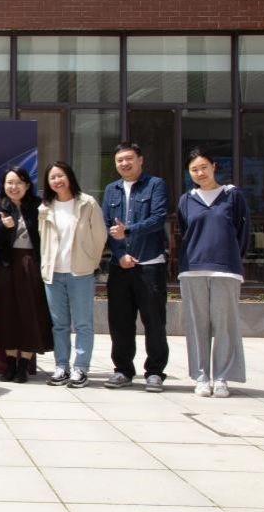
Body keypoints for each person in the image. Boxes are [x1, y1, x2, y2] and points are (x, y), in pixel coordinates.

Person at [177, 148, 250, 398]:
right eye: (194, 170)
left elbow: (243, 232)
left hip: (225, 270)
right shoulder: (186, 200)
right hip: (193, 269)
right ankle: (201, 377)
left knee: (225, 325)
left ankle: (221, 378)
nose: (200, 173)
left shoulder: (232, 195)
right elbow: (185, 232)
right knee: (197, 326)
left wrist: (232, 258)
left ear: (214, 166)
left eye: (204, 167)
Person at [102, 143, 170, 392]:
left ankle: (155, 372)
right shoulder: (111, 190)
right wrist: (120, 254)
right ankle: (122, 370)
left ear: (140, 160)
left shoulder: (155, 185)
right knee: (120, 321)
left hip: (149, 264)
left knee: (154, 321)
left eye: (129, 158)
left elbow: (158, 218)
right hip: (120, 266)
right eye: (119, 160)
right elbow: (106, 226)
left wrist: (128, 230)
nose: (124, 163)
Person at [38, 161, 108, 389]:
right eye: (52, 177)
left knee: (83, 323)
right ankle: (61, 366)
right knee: (59, 324)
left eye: (60, 176)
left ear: (69, 177)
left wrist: (91, 261)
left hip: (80, 272)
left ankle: (81, 368)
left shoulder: (87, 203)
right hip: (54, 274)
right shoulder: (45, 207)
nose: (57, 181)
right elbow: (43, 239)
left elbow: (100, 236)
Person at [0, 167, 52, 384]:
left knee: (30, 313)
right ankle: (10, 364)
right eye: (9, 183)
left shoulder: (38, 206)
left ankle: (24, 366)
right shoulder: (0, 206)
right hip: (7, 265)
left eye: (18, 183)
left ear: (27, 185)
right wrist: (2, 226)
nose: (14, 187)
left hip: (32, 264)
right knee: (8, 314)